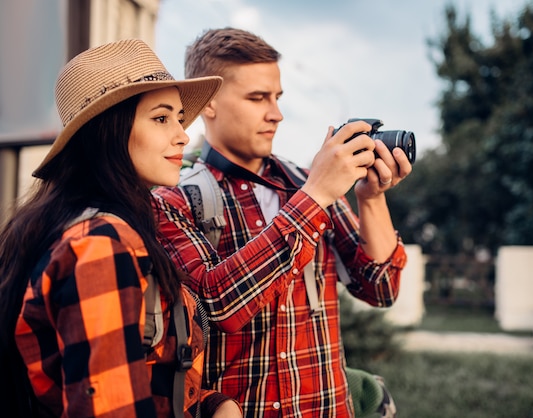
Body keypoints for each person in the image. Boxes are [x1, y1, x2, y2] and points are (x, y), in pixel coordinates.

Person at [152, 28, 411, 417]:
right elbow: (218, 308)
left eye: (277, 97)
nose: (276, 113)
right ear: (207, 104)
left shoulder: (305, 183)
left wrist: (370, 198)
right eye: (257, 98)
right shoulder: (171, 199)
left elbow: (382, 289)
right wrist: (316, 196)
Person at [0, 39, 242, 418]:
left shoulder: (82, 226)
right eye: (161, 118)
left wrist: (213, 404)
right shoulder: (100, 244)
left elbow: (139, 375)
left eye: (179, 118)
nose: (182, 134)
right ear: (109, 131)